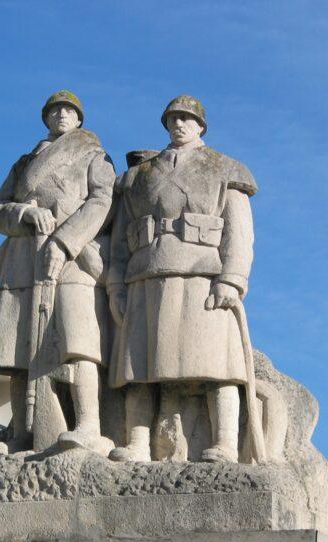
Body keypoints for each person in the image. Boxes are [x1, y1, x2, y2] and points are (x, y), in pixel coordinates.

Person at [108, 95, 257, 463]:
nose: (179, 124)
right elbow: (119, 239)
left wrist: (232, 278)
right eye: (173, 118)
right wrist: (115, 284)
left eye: (187, 118)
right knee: (138, 368)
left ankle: (224, 442)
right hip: (146, 275)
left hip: (203, 277)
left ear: (200, 125)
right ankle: (139, 443)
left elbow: (239, 232)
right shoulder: (140, 175)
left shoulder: (224, 168)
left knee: (217, 365)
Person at [0, 90, 115, 455]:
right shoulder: (25, 162)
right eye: (55, 110)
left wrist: (65, 240)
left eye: (68, 110)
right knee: (16, 349)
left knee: (79, 341)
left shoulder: (93, 156)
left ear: (79, 119)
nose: (61, 115)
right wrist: (24, 214)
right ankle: (22, 432)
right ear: (45, 118)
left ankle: (89, 423)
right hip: (23, 259)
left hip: (74, 256)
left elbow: (102, 202)